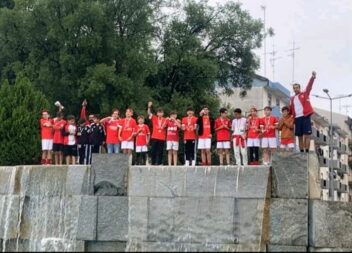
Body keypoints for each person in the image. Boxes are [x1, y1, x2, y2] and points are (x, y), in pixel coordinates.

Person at [289, 71, 317, 153]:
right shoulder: (292, 98)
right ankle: (301, 151)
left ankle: (307, 151)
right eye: (294, 88)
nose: (295, 89)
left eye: (297, 87)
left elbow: (309, 86)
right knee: (299, 136)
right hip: (297, 118)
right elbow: (291, 110)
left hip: (305, 116)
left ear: (299, 88)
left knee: (307, 135)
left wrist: (312, 77)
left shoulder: (305, 94)